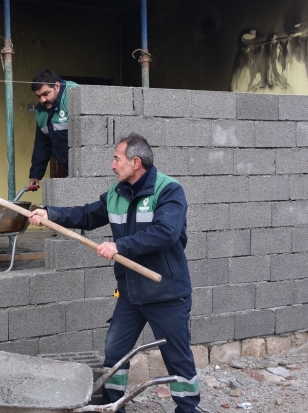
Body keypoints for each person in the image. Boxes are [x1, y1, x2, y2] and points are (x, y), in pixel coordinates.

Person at [28, 133, 199, 413]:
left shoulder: (168, 191)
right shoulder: (116, 193)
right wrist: (50, 214)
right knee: (115, 353)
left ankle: (188, 409)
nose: (112, 165)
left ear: (135, 162)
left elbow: (166, 233)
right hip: (131, 295)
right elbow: (86, 215)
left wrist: (120, 245)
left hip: (166, 294)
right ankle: (112, 407)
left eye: (116, 159)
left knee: (177, 359)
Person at [28, 69, 78, 190]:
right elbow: (42, 145)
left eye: (46, 94)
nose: (42, 100)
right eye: (39, 96)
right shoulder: (41, 112)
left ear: (57, 86)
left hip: (91, 168)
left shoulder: (75, 95)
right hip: (69, 169)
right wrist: (35, 175)